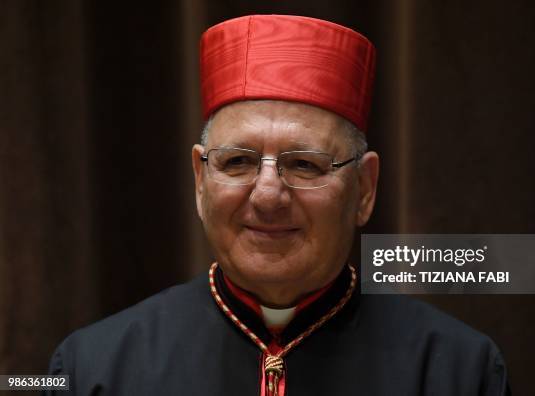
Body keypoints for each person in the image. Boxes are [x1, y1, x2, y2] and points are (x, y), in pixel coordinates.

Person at [46, 15, 510, 395]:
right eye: (239, 161)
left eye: (305, 164)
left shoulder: (458, 373)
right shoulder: (91, 370)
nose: (267, 195)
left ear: (365, 189)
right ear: (199, 181)